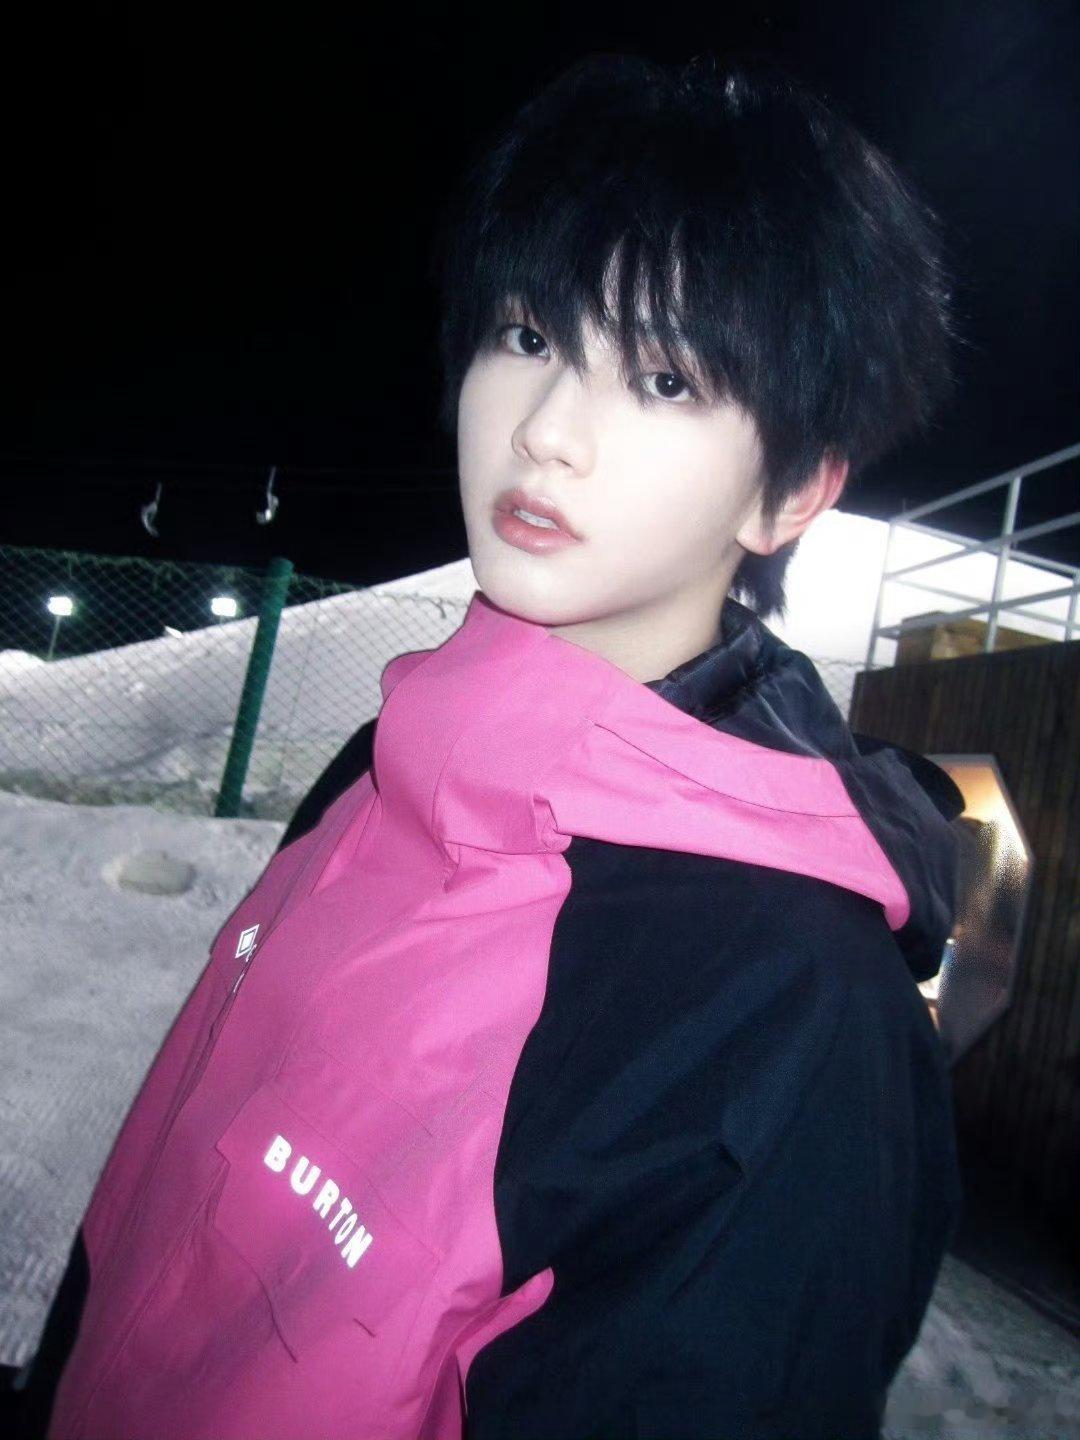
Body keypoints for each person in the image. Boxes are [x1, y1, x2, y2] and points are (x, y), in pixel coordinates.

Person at [23, 51, 965, 1440]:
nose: (547, 432)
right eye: (528, 334)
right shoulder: (380, 763)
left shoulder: (785, 1013)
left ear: (790, 493)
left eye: (663, 378)